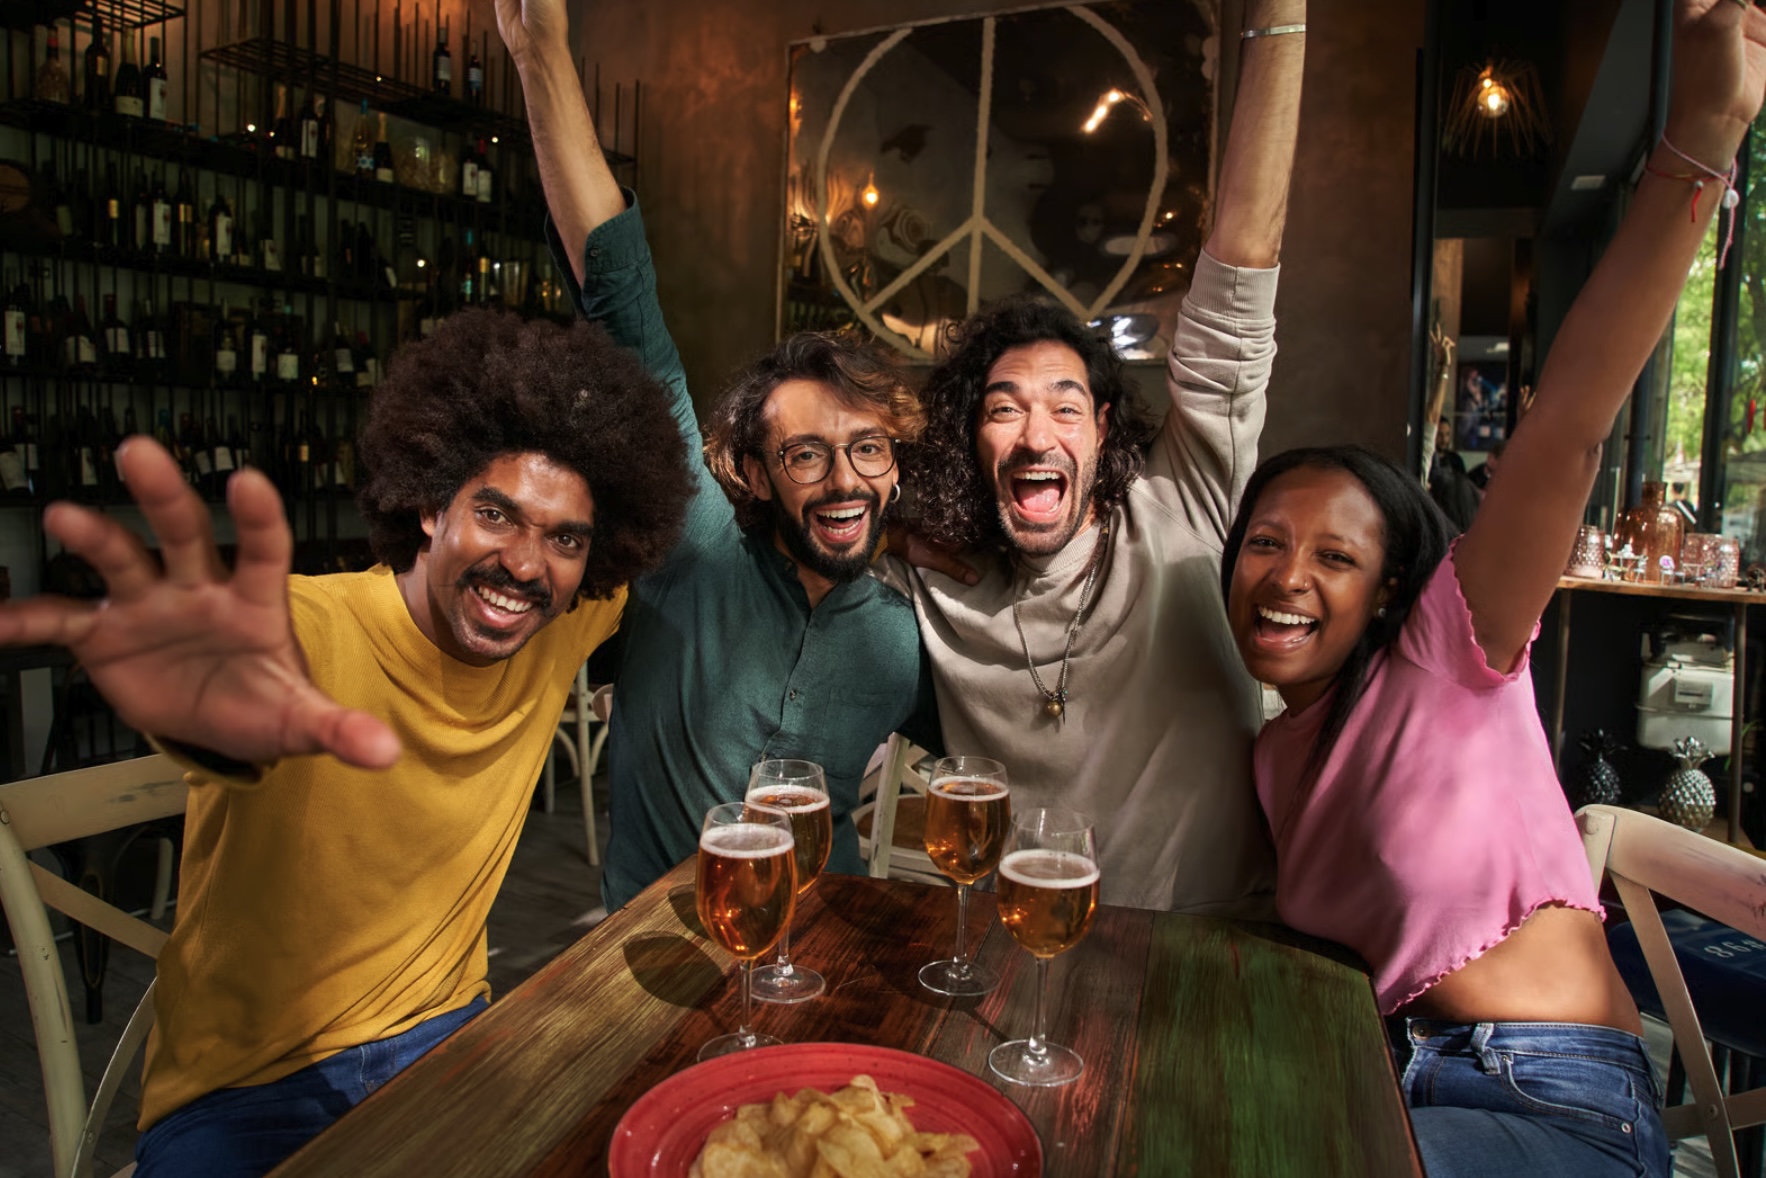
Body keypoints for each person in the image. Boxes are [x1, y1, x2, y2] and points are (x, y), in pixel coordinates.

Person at [1219, 3, 1762, 1172]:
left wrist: (1704, 129)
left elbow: (1566, 421)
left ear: (1393, 586)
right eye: (1263, 542)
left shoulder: (1446, 654)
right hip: (1387, 1072)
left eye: (1333, 556)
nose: (1287, 577)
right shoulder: (1271, 754)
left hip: (1548, 1090)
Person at [0, 311, 694, 1176]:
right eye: (496, 515)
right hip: (247, 1091)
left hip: (450, 1049)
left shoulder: (562, 619)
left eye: (563, 539)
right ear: (432, 506)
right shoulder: (299, 628)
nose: (524, 563)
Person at [501, 0, 942, 913]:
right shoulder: (698, 545)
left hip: (826, 951)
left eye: (867, 449)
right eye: (806, 455)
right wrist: (539, 45)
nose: (845, 479)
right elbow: (621, 294)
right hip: (649, 952)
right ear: (751, 472)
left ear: (895, 465)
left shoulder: (909, 638)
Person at [888, 1, 1305, 913]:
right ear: (972, 438)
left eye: (1065, 406)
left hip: (1211, 964)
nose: (1037, 434)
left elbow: (1237, 294)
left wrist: (1279, 24)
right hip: (1027, 957)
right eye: (1004, 409)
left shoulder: (1187, 507)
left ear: (1105, 430)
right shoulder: (938, 576)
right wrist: (892, 532)